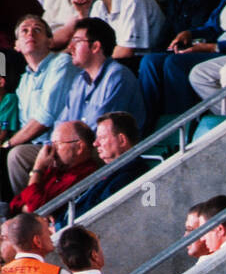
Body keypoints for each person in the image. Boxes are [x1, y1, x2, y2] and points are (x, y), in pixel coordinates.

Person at [2, 16, 74, 196]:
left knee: (15, 155)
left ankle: (27, 212)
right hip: (37, 145)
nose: (30, 34)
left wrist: (8, 143)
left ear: (50, 41)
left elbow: (46, 117)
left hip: (62, 144)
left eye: (37, 30)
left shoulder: (61, 63)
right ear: (17, 46)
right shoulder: (24, 80)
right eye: (24, 31)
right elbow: (23, 123)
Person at [58, 17, 146, 134]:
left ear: (95, 47)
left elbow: (101, 131)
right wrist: (54, 144)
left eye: (77, 41)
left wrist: (66, 143)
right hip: (75, 146)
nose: (70, 47)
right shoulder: (79, 81)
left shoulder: (118, 77)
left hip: (104, 148)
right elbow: (62, 121)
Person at [9, 119, 98, 216]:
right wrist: (27, 208)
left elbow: (38, 211)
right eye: (52, 144)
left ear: (79, 147)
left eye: (57, 144)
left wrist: (38, 167)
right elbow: (15, 203)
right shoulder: (58, 168)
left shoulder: (83, 175)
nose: (53, 150)